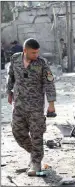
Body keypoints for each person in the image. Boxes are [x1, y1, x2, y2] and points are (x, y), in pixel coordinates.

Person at [6, 38, 56, 176]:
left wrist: (51, 104)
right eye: (33, 52)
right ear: (25, 50)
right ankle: (34, 153)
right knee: (17, 132)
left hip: (36, 106)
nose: (36, 55)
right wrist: (9, 91)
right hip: (19, 104)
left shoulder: (41, 63)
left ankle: (36, 163)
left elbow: (49, 83)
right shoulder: (15, 59)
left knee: (36, 135)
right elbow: (11, 76)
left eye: (37, 52)